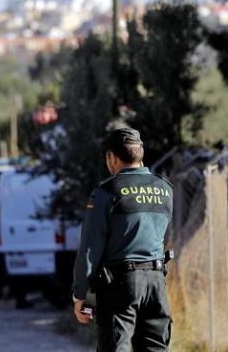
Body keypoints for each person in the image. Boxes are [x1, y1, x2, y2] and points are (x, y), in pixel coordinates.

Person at [72, 127, 173, 352]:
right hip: (157, 283)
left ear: (112, 157)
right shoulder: (165, 189)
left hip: (120, 285)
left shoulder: (107, 192)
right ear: (140, 154)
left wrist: (80, 293)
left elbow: (90, 248)